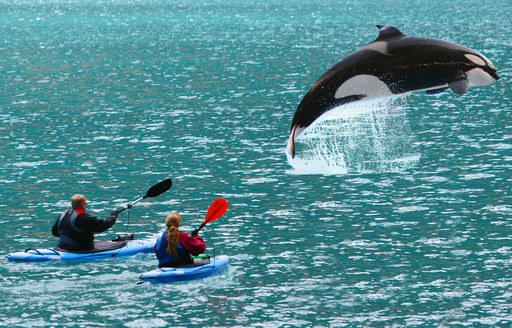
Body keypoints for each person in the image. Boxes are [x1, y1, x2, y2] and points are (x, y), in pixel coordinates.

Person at [52, 194, 118, 251]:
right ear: (83, 205)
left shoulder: (62, 215)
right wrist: (113, 217)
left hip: (62, 247)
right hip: (81, 249)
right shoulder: (85, 217)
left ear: (72, 204)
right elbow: (103, 226)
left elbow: (55, 232)